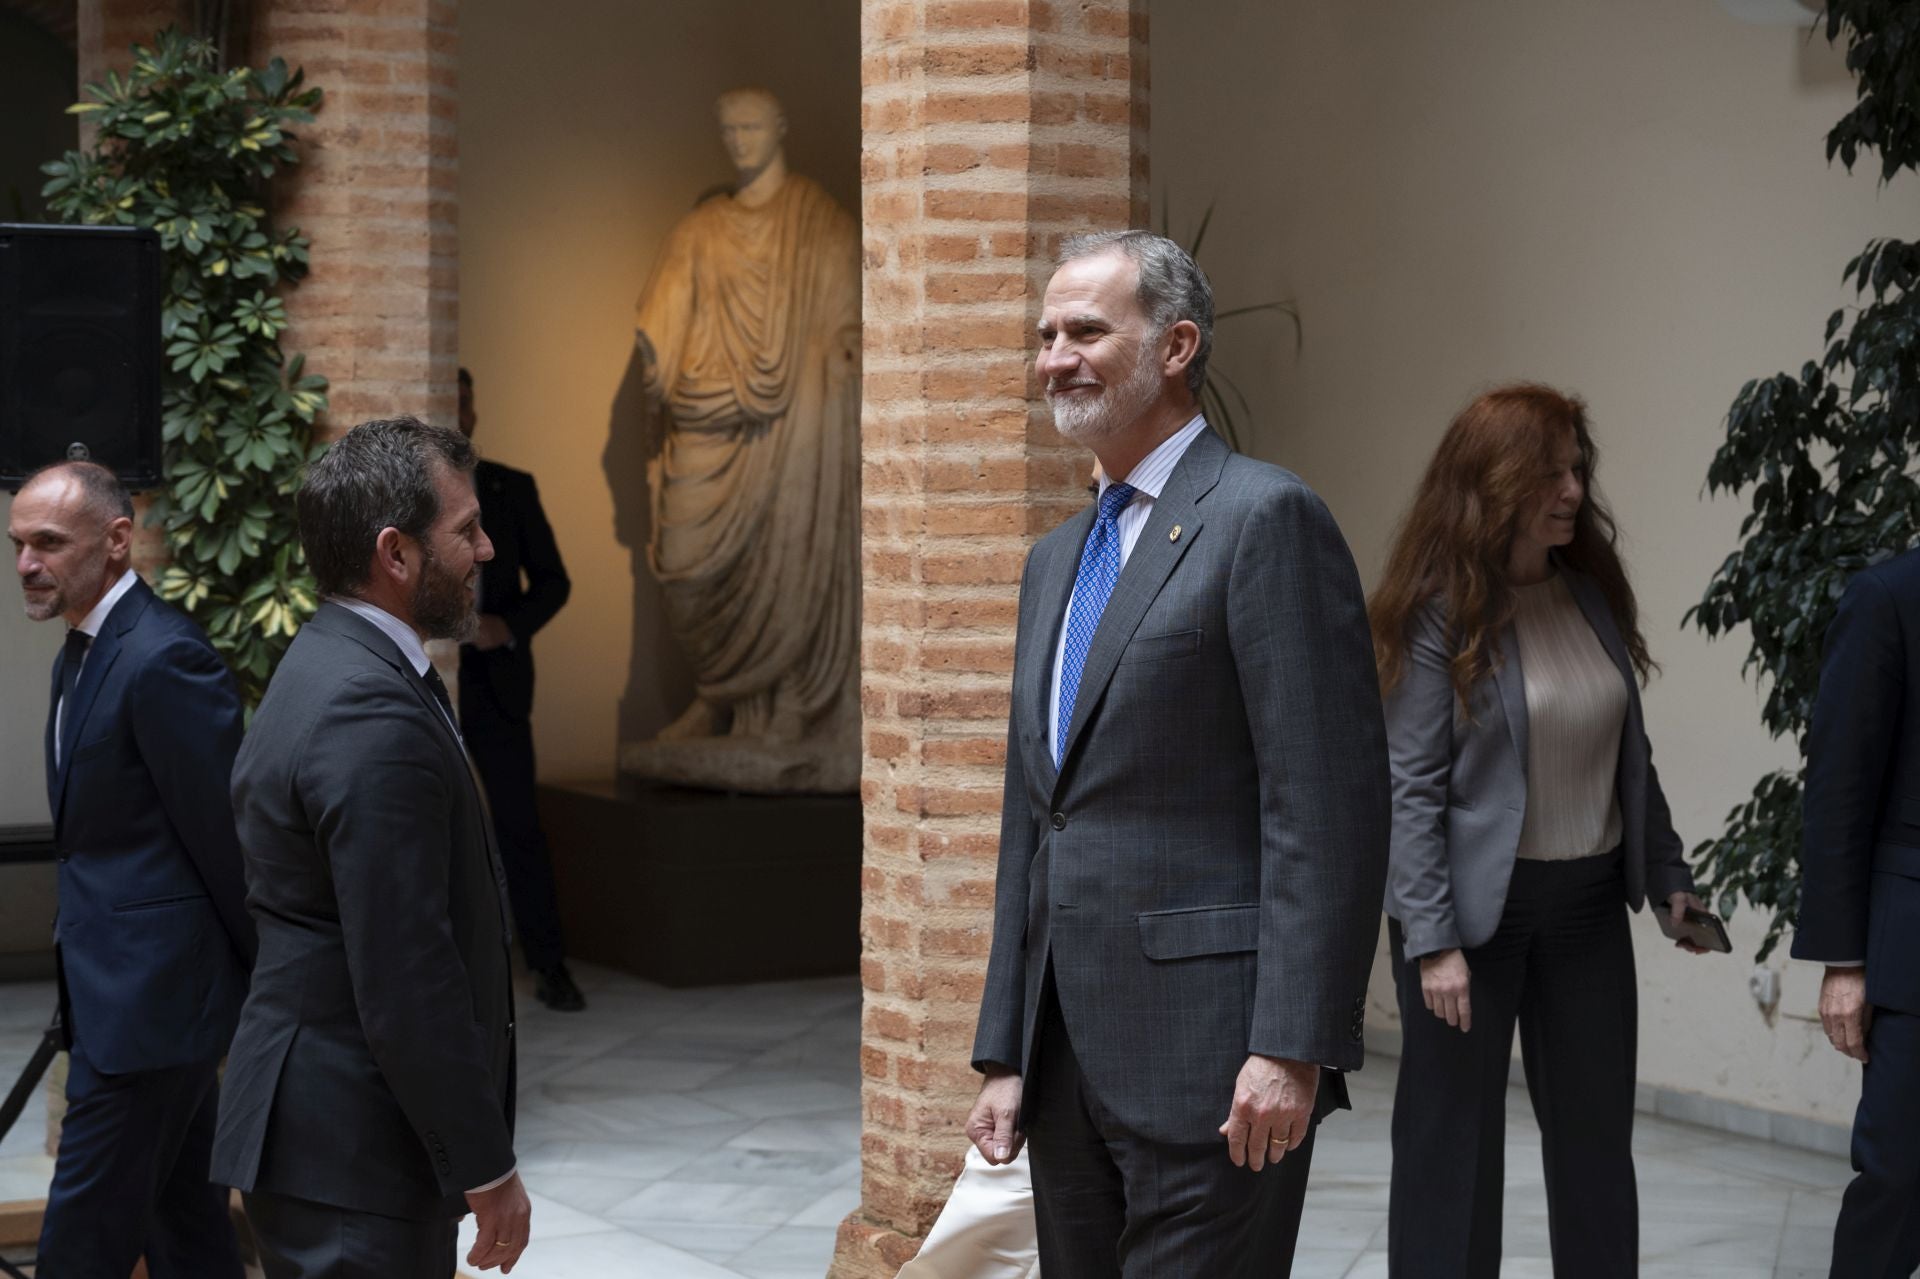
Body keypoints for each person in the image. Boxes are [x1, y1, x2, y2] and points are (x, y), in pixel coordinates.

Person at [967, 230, 1391, 1277]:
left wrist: (1291, 1045)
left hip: (1218, 1065)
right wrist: (1005, 1051)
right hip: (1067, 1072)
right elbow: (1038, 816)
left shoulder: (1264, 519)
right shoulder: (1055, 561)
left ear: (1176, 345)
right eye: (1046, 333)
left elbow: (1325, 807)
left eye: (1086, 330)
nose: (1055, 355)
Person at [1370, 384, 1711, 1278]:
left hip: (1590, 907)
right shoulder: (1438, 610)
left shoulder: (1588, 594)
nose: (1570, 489)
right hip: (1471, 919)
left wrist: (1669, 874)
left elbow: (1626, 755)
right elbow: (1410, 789)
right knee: (1452, 1153)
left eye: (1575, 467)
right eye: (1548, 471)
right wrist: (1432, 939)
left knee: (1598, 1151)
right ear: (1494, 483)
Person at [211, 417, 530, 1277]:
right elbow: (405, 971)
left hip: (335, 1142)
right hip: (351, 1148)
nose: (487, 547)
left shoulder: (330, 659)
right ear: (396, 553)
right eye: (465, 530)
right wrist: (486, 1163)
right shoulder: (367, 705)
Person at [7, 460, 254, 1278]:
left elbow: (227, 839)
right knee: (188, 1229)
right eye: (17, 544)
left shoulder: (163, 659)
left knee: (83, 1242)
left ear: (118, 541)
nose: (26, 564)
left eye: (48, 542)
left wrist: (265, 980)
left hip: (152, 1010)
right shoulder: (77, 651)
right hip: (125, 999)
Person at [1794, 544, 1920, 1276]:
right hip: (1912, 955)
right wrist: (1845, 960)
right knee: (1898, 1177)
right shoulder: (1886, 597)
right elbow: (1838, 790)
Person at [456, 367, 583, 1012]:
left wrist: (509, 626)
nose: (458, 411)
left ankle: (549, 963)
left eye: (465, 399)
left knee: (517, 823)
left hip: (495, 680)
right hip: (423, 675)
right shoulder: (406, 496)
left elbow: (555, 581)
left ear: (475, 409)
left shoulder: (511, 488)